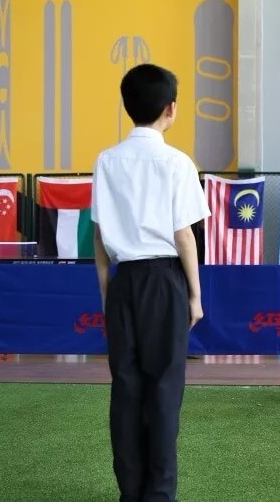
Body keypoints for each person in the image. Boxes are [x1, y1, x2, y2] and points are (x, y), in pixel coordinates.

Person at [92, 63, 210, 502]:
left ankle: (131, 491)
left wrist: (108, 291)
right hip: (164, 280)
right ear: (171, 108)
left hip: (124, 281)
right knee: (163, 387)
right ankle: (159, 494)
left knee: (126, 386)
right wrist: (195, 295)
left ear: (128, 107)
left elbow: (100, 235)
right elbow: (184, 234)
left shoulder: (106, 160)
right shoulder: (177, 162)